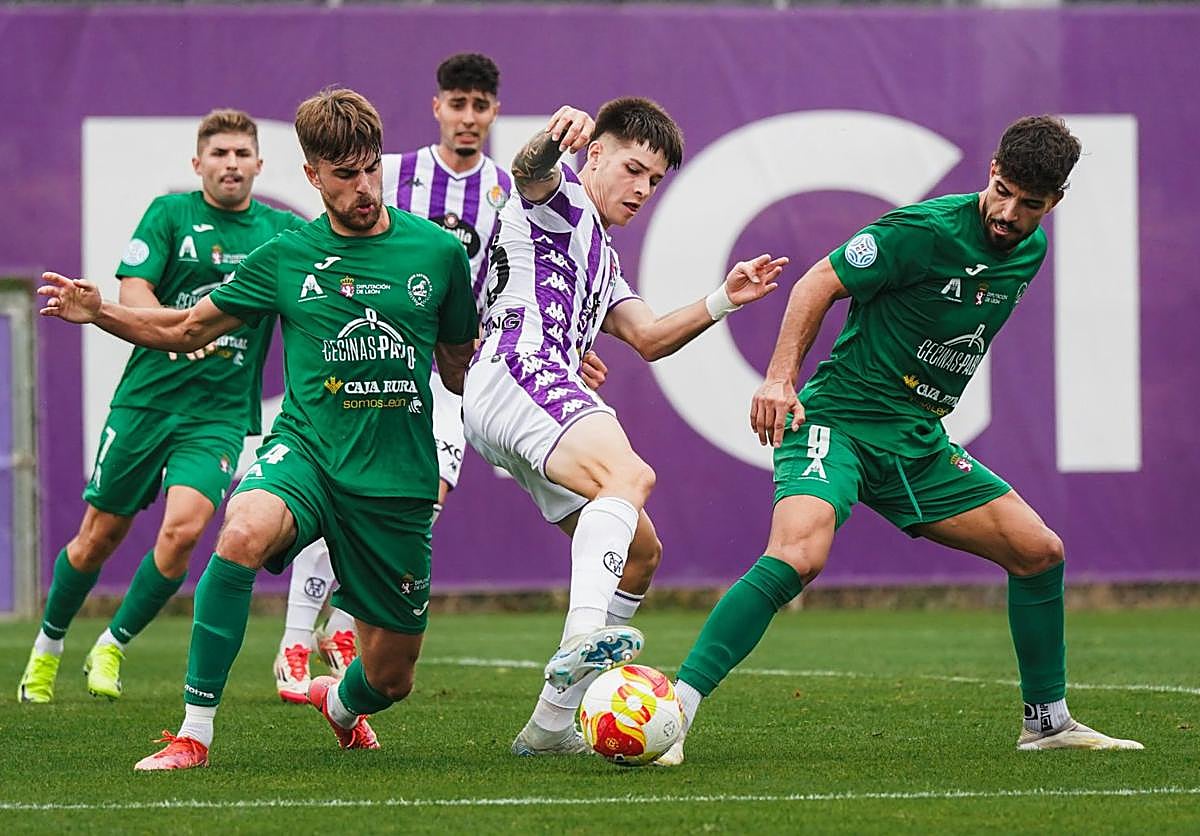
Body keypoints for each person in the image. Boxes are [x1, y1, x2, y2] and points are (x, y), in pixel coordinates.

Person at [658, 115, 1143, 766]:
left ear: (1054, 203)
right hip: (838, 421)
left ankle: (1047, 723)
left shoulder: (1030, 249)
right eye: (1002, 190)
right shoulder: (922, 230)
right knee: (800, 553)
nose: (1008, 213)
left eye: (1030, 204)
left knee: (1039, 552)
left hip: (917, 441)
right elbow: (817, 284)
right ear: (991, 169)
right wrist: (779, 380)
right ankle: (673, 715)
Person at [38, 87, 478, 771]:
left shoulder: (439, 253)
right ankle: (193, 732)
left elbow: (458, 368)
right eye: (344, 174)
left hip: (395, 475)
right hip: (305, 452)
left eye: (371, 169)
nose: (363, 188)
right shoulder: (284, 255)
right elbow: (184, 326)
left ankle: (338, 703)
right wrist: (99, 312)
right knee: (239, 528)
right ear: (311, 176)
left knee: (390, 678)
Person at [271, 54, 610, 703]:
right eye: (457, 104)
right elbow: (338, 235)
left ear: (493, 114)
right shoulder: (391, 173)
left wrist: (568, 344)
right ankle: (295, 635)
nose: (468, 117)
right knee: (340, 493)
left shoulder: (506, 191)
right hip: (375, 360)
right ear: (437, 109)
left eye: (479, 106)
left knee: (422, 501)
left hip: (455, 365)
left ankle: (342, 626)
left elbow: (525, 275)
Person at [462, 98, 787, 755]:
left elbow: (648, 337)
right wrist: (553, 140)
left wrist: (725, 297)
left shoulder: (600, 254)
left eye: (655, 180)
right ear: (596, 154)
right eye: (633, 169)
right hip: (519, 372)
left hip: (517, 389)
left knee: (640, 554)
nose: (641, 189)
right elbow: (528, 174)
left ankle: (552, 727)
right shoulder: (564, 202)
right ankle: (584, 637)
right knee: (629, 473)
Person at [17, 110, 304, 704]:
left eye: (240, 153)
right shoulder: (170, 214)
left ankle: (113, 644)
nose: (230, 163)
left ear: (259, 164)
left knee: (183, 532)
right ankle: (47, 648)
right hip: (146, 402)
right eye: (218, 153)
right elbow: (133, 294)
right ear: (198, 164)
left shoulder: (280, 233)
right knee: (99, 535)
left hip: (219, 414)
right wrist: (190, 327)